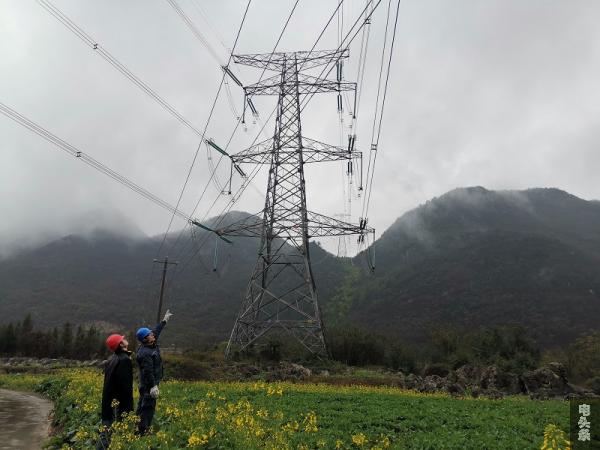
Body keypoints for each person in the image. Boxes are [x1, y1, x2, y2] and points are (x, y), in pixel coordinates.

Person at [135, 309, 173, 434]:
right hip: (148, 385)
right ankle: (143, 431)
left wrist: (164, 321)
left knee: (143, 406)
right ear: (146, 339)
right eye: (150, 334)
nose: (153, 335)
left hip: (148, 384)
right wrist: (153, 386)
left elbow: (156, 331)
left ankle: (137, 427)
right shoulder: (145, 353)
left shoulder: (149, 344)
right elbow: (148, 371)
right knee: (147, 407)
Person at [96, 333, 133, 450]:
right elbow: (126, 387)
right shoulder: (125, 360)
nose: (125, 340)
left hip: (108, 402)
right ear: (121, 344)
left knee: (105, 432)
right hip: (118, 405)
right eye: (123, 339)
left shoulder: (111, 359)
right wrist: (128, 408)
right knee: (108, 437)